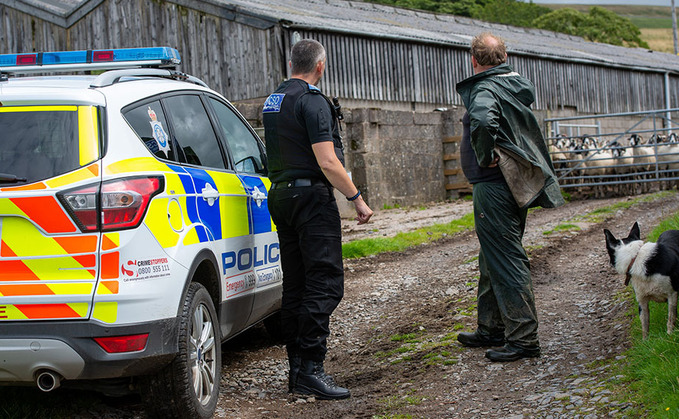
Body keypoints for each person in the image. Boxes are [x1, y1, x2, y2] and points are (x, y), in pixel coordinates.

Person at [263, 39, 373, 399]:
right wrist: (355, 198)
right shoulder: (312, 101)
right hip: (311, 198)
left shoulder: (275, 100)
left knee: (296, 284)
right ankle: (311, 368)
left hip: (280, 196)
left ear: (292, 62)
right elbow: (327, 161)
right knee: (325, 283)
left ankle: (297, 371)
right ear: (320, 66)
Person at [454, 32, 564, 362]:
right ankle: (491, 327)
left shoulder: (485, 87)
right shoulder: (514, 83)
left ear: (474, 60)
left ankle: (524, 337)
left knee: (506, 257)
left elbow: (485, 121)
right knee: (492, 257)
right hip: (512, 182)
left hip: (494, 183)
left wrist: (485, 153)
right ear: (505, 56)